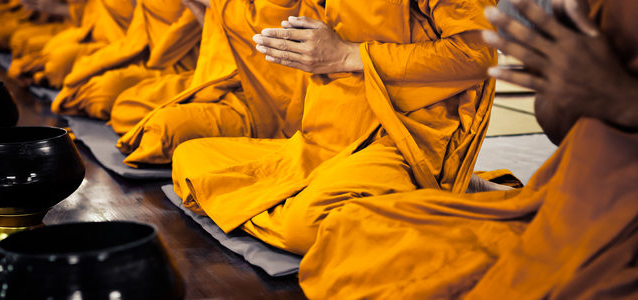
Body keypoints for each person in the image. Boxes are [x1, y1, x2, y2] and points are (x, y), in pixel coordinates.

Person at [298, 0, 638, 298]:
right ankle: (461, 189)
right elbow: (559, 123)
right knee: (351, 233)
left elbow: (473, 56)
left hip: (416, 129)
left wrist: (623, 101)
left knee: (315, 224)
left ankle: (444, 182)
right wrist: (561, 84)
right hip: (569, 200)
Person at [171, 0, 498, 255]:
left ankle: (443, 192)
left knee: (307, 224)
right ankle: (422, 195)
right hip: (327, 131)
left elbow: (478, 55)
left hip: (400, 135)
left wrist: (346, 56)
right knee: (189, 157)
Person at [110, 0, 311, 165]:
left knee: (162, 130)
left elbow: (266, 36)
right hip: (212, 79)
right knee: (125, 107)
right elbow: (211, 30)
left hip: (261, 101)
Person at [48, 0, 200, 120]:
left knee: (103, 97)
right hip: (138, 50)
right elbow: (136, 28)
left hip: (186, 65)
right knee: (66, 66)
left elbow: (182, 37)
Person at [7, 0, 135, 88]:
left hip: (126, 45)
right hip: (90, 30)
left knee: (58, 62)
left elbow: (140, 37)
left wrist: (55, 8)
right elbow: (87, 13)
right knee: (26, 44)